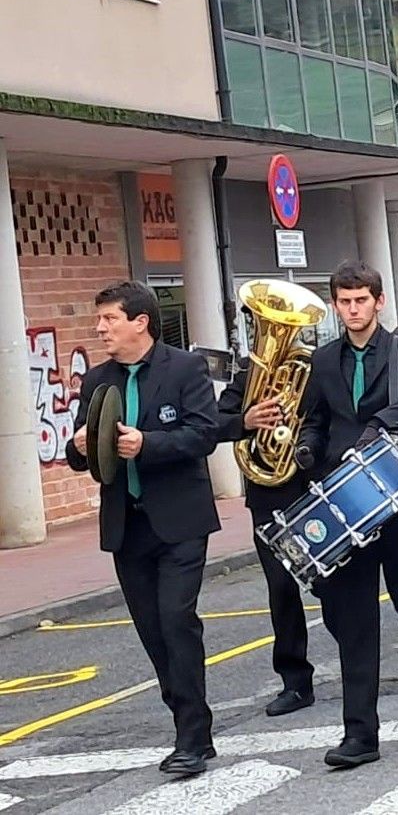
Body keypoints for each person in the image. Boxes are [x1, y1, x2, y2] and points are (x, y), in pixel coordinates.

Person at [297, 260, 398, 768]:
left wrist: (379, 423)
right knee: (355, 620)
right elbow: (316, 419)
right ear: (335, 304)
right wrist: (306, 447)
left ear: (379, 301)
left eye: (360, 300)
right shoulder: (323, 361)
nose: (352, 309)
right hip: (345, 501)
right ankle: (360, 735)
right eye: (344, 302)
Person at [66, 282, 220, 775]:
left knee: (177, 621)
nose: (100, 328)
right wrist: (78, 445)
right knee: (153, 632)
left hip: (178, 521)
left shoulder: (185, 368)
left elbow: (203, 434)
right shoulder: (97, 381)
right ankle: (188, 719)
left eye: (109, 318)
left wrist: (147, 444)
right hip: (126, 525)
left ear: (140, 321)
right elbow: (79, 456)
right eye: (99, 320)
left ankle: (192, 739)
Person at [217, 360, 316, 719]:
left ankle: (359, 670)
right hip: (268, 494)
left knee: (336, 588)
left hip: (314, 486)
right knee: (281, 589)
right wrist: (246, 421)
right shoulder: (248, 374)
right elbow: (213, 423)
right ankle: (295, 682)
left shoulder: (314, 366)